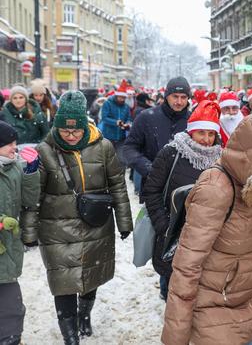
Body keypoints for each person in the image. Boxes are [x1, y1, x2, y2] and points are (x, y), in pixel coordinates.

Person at [162, 111, 252, 345]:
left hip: (247, 304)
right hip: (215, 313)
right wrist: (176, 337)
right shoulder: (216, 189)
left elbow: (242, 221)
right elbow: (186, 266)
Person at [27, 91, 133, 344]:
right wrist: (29, 232)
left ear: (84, 126)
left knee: (90, 275)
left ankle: (84, 314)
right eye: (65, 131)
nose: (71, 136)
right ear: (57, 126)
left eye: (75, 131)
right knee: (63, 280)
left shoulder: (103, 147)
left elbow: (118, 184)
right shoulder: (44, 150)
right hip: (56, 227)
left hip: (95, 222)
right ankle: (70, 334)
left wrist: (124, 221)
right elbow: (34, 196)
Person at [142, 100, 222, 301]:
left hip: (208, 239)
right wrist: (164, 226)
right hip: (174, 238)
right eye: (201, 132)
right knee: (176, 295)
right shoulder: (172, 153)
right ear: (191, 132)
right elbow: (152, 191)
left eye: (211, 134)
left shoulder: (221, 158)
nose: (206, 139)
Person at [0, 121, 40, 345]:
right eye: (9, 144)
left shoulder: (13, 166)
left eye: (15, 142)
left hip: (8, 248)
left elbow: (29, 200)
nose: (14, 148)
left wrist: (31, 171)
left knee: (11, 303)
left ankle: (11, 338)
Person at [122, 77, 191, 195]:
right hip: (153, 188)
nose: (179, 102)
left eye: (183, 97)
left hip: (185, 189)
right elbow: (129, 148)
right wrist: (149, 169)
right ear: (166, 96)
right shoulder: (146, 117)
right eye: (175, 96)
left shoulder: (193, 120)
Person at [100, 81, 132, 159]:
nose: (122, 99)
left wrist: (127, 124)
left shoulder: (126, 107)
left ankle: (120, 171)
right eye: (120, 97)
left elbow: (129, 118)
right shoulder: (107, 103)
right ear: (116, 96)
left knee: (121, 159)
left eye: (124, 98)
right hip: (108, 136)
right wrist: (116, 122)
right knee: (108, 158)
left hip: (121, 137)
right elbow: (104, 117)